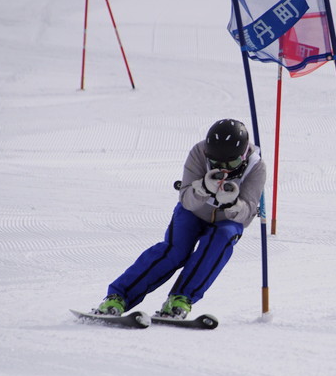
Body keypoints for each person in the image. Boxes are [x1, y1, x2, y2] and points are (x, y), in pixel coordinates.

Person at [94, 119, 266, 319]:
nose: (225, 169)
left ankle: (180, 299)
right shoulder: (199, 152)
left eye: (232, 163)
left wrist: (234, 206)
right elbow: (186, 199)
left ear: (243, 155)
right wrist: (202, 189)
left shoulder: (256, 166)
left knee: (220, 241)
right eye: (217, 164)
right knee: (175, 251)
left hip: (225, 221)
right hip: (193, 212)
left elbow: (247, 215)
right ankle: (119, 297)